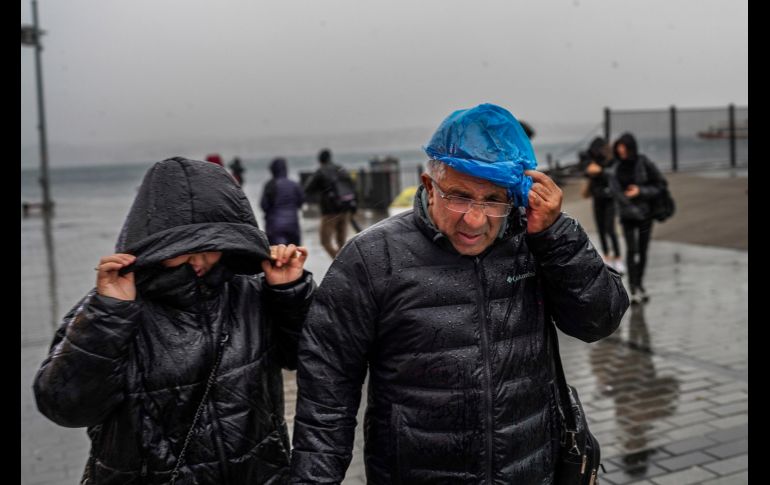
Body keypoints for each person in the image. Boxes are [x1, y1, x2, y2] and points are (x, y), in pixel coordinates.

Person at [289, 103, 629, 483]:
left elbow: (600, 320)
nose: (474, 219)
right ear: (429, 186)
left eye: (493, 201)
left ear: (514, 198)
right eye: (459, 196)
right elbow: (328, 383)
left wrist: (556, 236)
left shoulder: (536, 240)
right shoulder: (372, 257)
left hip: (530, 469)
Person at [33, 157, 316, 484]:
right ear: (155, 239)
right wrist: (107, 315)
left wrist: (290, 292)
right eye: (185, 247)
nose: (199, 259)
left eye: (211, 246)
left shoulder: (250, 292)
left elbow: (308, 359)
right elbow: (66, 407)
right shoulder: (113, 306)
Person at [608, 132, 667, 304]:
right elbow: (616, 193)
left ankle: (639, 283)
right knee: (631, 250)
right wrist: (630, 204)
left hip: (645, 215)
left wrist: (640, 191)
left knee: (642, 251)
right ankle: (632, 288)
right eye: (618, 148)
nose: (621, 151)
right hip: (627, 216)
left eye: (624, 147)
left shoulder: (644, 162)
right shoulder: (615, 168)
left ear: (631, 147)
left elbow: (660, 184)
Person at [579, 136, 625, 273]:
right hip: (597, 197)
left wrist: (600, 170)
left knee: (610, 229)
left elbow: (614, 173)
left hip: (610, 198)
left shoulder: (612, 160)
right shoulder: (590, 158)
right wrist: (591, 168)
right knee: (601, 229)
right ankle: (606, 257)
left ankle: (618, 258)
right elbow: (586, 169)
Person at [302, 148, 354, 259]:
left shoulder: (321, 171)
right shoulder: (340, 169)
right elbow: (352, 186)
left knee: (325, 241)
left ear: (320, 160)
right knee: (342, 242)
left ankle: (340, 264)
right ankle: (345, 264)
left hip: (329, 212)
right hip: (345, 209)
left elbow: (308, 189)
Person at [261, 157, 305, 245]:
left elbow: (264, 205)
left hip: (275, 227)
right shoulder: (294, 185)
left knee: (279, 255)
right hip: (293, 225)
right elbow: (301, 201)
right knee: (294, 254)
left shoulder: (270, 185)